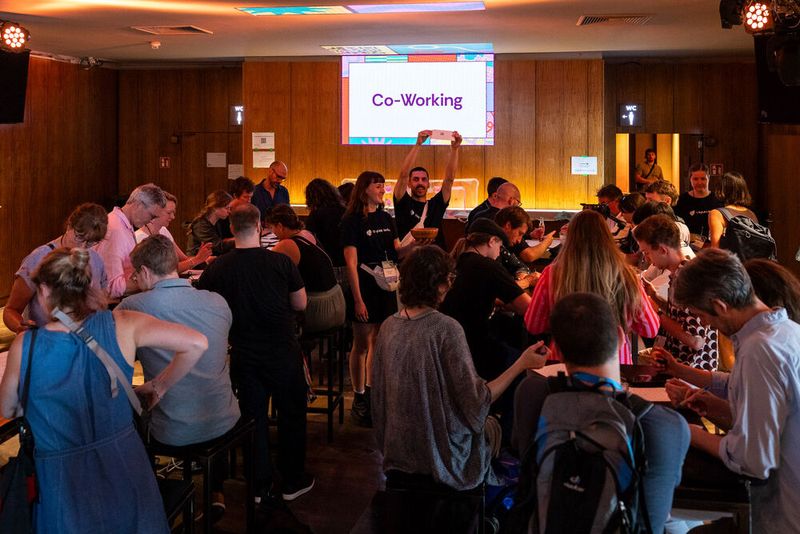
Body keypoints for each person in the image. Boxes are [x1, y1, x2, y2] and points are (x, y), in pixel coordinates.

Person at [0, 247, 208, 534]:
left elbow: (8, 409)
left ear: (45, 290)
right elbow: (197, 343)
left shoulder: (26, 345)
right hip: (124, 463)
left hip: (61, 478)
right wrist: (159, 385)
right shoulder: (123, 324)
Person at [372, 246, 549, 490]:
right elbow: (476, 403)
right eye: (450, 278)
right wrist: (523, 363)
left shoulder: (389, 326)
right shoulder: (446, 329)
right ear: (441, 284)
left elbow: (379, 399)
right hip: (442, 457)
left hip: (398, 452)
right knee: (498, 424)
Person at [512, 293, 689, 534]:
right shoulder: (666, 425)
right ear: (620, 337)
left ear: (559, 351)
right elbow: (656, 512)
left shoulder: (531, 395)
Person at [667, 248, 800, 532]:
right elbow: (772, 413)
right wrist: (713, 405)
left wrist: (691, 433)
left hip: (782, 515)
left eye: (702, 315)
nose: (704, 324)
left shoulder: (759, 351)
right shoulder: (785, 331)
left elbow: (753, 459)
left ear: (721, 305)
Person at [196, 204, 314, 503]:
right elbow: (300, 304)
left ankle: (259, 485)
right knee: (292, 412)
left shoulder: (218, 267)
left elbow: (205, 304)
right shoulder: (279, 262)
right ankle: (292, 480)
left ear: (232, 229)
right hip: (281, 348)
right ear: (261, 226)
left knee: (252, 417)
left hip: (243, 351)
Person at [118, 235, 240, 522]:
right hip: (225, 416)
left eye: (136, 274)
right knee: (207, 381)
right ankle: (216, 492)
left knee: (128, 408)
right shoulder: (217, 300)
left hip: (174, 428)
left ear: (145, 272)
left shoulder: (132, 306)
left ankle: (149, 500)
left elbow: (117, 362)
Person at [524, 210, 659, 365]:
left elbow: (533, 325)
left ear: (570, 238)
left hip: (563, 362)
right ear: (607, 237)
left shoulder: (552, 274)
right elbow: (650, 329)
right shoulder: (626, 275)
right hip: (616, 365)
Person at [340, 171, 409, 427]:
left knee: (379, 340)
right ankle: (358, 396)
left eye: (383, 186)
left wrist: (419, 242)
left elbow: (397, 249)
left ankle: (371, 391)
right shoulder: (351, 221)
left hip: (387, 285)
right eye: (378, 186)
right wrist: (357, 299)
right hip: (365, 285)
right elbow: (351, 262)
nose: (382, 190)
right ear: (364, 189)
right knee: (360, 343)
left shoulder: (386, 217)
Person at [440, 218, 530, 380]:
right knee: (522, 359)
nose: (499, 252)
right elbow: (527, 307)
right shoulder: (488, 266)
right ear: (491, 241)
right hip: (475, 345)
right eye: (499, 246)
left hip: (449, 343)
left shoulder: (455, 260)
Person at [4, 203, 108, 333]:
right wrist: (21, 327)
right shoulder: (38, 258)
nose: (82, 247)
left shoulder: (96, 259)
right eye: (79, 237)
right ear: (69, 225)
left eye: (91, 242)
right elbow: (10, 310)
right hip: (48, 342)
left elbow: (102, 303)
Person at [633, 215, 718, 370]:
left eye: (647, 253)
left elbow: (695, 340)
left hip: (692, 371)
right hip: (681, 367)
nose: (647, 259)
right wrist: (654, 297)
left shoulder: (689, 277)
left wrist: (655, 311)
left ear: (663, 250)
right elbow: (681, 317)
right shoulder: (679, 273)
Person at [266, 205, 346, 334]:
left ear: (280, 226)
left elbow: (267, 270)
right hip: (338, 302)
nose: (273, 233)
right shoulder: (306, 234)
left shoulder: (286, 244)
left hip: (319, 308)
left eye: (272, 228)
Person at [393, 130, 462, 249]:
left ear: (428, 184)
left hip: (436, 260)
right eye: (415, 179)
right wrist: (418, 144)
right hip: (409, 259)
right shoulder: (402, 202)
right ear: (409, 184)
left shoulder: (436, 205)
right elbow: (403, 175)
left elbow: (449, 180)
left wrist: (455, 149)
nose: (420, 183)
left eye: (424, 179)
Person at [96, 183, 166, 298]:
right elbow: (111, 287)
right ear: (138, 205)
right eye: (151, 216)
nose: (150, 222)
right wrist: (153, 280)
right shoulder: (115, 229)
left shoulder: (124, 225)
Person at [134, 191, 213, 272]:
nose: (173, 217)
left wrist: (204, 257)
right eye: (169, 213)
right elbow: (163, 271)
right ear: (155, 211)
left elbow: (183, 259)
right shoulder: (140, 237)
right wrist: (197, 259)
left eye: (173, 212)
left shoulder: (163, 230)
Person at [304, 177, 347, 274]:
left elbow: (309, 242)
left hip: (327, 264)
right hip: (348, 262)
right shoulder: (345, 211)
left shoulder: (315, 215)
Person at [495, 206, 553, 275]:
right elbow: (529, 256)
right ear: (508, 225)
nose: (519, 241)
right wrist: (528, 280)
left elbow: (519, 267)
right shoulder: (494, 247)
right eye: (520, 233)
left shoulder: (502, 243)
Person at [708, 171, 758, 249]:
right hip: (751, 260)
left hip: (730, 260)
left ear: (722, 190)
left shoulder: (717, 214)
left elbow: (716, 249)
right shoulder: (751, 214)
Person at [673, 162, 722, 242]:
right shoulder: (681, 200)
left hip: (713, 245)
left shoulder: (718, 200)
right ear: (690, 179)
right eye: (695, 179)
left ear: (708, 178)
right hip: (688, 245)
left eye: (703, 179)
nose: (699, 183)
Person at [187, 190, 235, 257]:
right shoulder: (200, 225)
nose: (229, 211)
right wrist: (240, 239)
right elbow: (218, 246)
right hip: (196, 264)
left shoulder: (219, 221)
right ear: (215, 207)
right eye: (227, 208)